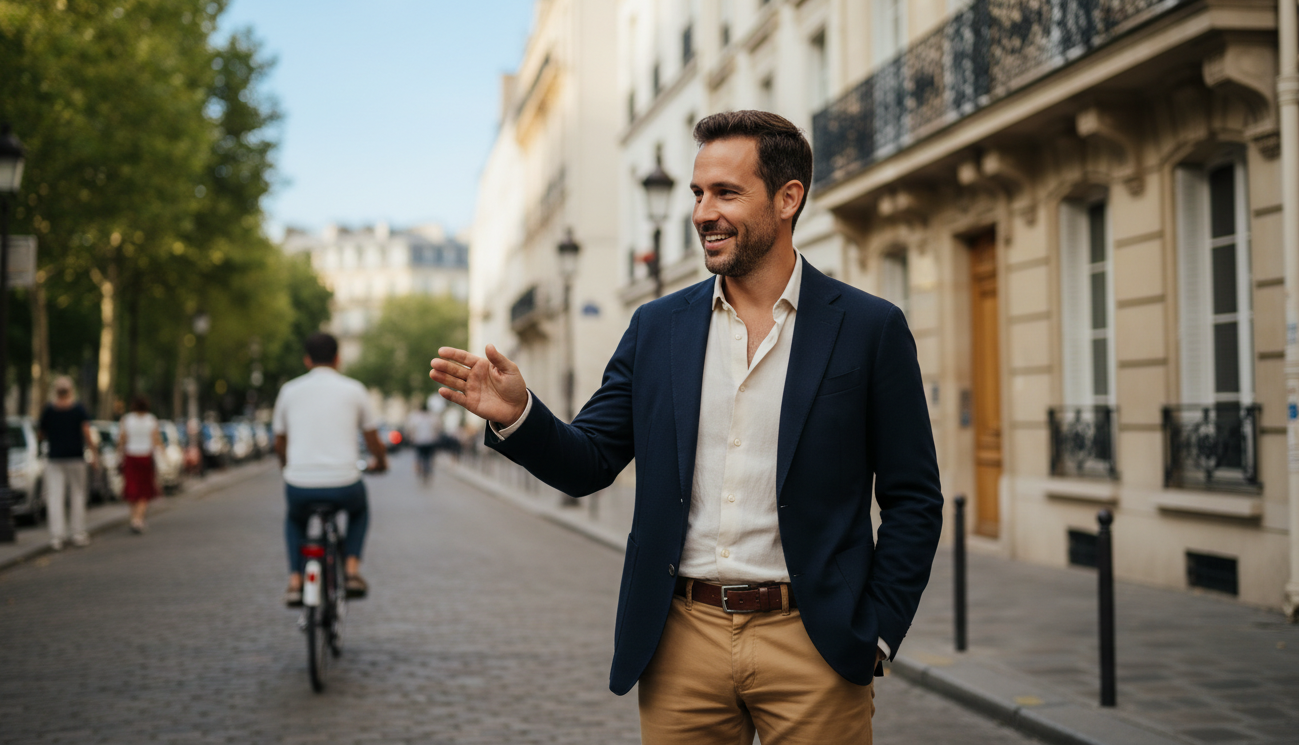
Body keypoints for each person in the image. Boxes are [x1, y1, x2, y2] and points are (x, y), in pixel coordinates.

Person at [431, 111, 943, 744]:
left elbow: (914, 499)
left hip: (814, 642)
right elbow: (589, 462)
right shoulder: (657, 327)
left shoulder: (869, 328)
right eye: (697, 194)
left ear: (789, 199)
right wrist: (520, 415)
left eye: (726, 193)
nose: (702, 212)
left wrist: (878, 634)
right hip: (681, 643)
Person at [274, 332, 388, 607]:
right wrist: (380, 463)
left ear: (306, 360)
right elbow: (373, 439)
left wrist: (288, 468)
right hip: (345, 483)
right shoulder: (355, 389)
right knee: (359, 511)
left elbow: (279, 441)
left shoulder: (289, 391)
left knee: (294, 519)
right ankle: (350, 571)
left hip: (299, 484)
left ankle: (294, 581)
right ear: (338, 359)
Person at [37, 377, 98, 550]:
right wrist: (94, 455)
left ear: (55, 391)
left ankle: (57, 537)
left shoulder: (49, 410)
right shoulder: (78, 409)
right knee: (77, 495)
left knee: (55, 497)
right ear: (71, 390)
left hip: (55, 458)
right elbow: (87, 432)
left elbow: (41, 434)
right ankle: (78, 534)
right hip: (75, 458)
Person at [118, 396, 162, 534]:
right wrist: (162, 455)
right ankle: (139, 519)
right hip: (145, 456)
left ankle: (134, 518)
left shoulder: (127, 419)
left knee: (132, 488)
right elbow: (156, 439)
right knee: (144, 489)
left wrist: (118, 454)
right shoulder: (151, 419)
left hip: (131, 456)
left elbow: (122, 439)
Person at [405, 392, 443, 482]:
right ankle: (427, 470)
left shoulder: (415, 416)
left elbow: (410, 428)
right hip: (430, 441)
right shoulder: (433, 417)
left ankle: (420, 469)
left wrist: (411, 437)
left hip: (419, 441)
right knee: (429, 458)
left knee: (419, 457)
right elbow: (438, 427)